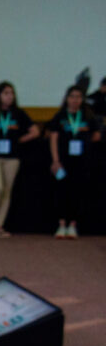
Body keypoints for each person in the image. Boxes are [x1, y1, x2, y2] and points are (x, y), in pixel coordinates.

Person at [0, 81, 39, 238]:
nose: (9, 96)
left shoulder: (19, 114)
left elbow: (35, 131)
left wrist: (20, 140)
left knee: (7, 191)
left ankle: (0, 225)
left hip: (12, 157)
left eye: (11, 93)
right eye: (6, 93)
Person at [46, 85, 102, 239]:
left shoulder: (88, 116)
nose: (75, 100)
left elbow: (96, 135)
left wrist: (85, 143)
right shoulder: (60, 116)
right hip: (63, 161)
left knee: (78, 192)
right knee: (61, 191)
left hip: (82, 162)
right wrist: (55, 160)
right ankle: (61, 224)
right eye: (72, 96)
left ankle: (73, 224)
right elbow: (53, 138)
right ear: (67, 98)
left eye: (78, 97)